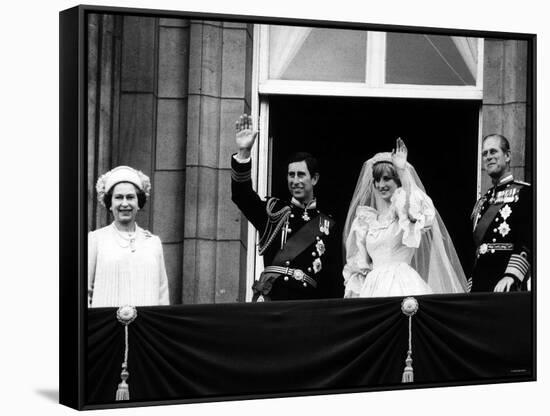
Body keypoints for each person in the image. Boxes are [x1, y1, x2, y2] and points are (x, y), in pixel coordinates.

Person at [231, 114, 343, 301]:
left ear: (314, 179)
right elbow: (242, 196)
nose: (295, 180)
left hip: (308, 307)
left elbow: (332, 279)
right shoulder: (273, 212)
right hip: (274, 301)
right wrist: (243, 153)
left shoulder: (327, 224)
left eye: (301, 175)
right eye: (291, 175)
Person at [342, 138, 467, 298]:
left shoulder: (403, 210)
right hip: (372, 287)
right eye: (377, 180)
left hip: (401, 283)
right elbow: (359, 265)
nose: (381, 185)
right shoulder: (366, 222)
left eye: (387, 178)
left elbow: (415, 211)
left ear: (397, 181)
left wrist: (402, 172)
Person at [88, 166, 170, 307]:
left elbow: (162, 294)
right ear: (110, 203)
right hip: (106, 326)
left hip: (146, 326)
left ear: (138, 203)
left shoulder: (153, 243)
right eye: (119, 197)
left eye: (130, 197)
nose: (124, 203)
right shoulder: (95, 239)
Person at [470, 134, 532, 292]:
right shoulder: (482, 201)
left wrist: (512, 275)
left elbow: (528, 238)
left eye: (493, 151)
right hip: (479, 283)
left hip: (508, 283)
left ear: (508, 156)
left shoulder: (525, 193)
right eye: (485, 153)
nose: (488, 157)